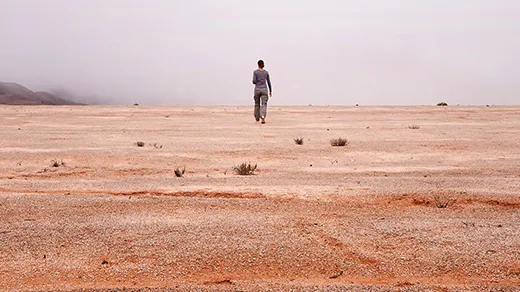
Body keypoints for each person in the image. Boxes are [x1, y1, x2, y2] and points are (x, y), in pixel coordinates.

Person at [252, 60, 272, 124]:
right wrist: (270, 91)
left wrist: (257, 81)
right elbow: (268, 82)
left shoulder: (255, 72)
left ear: (258, 65)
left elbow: (254, 81)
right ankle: (263, 116)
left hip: (257, 89)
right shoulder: (266, 73)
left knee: (257, 104)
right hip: (264, 89)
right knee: (264, 104)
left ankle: (257, 118)